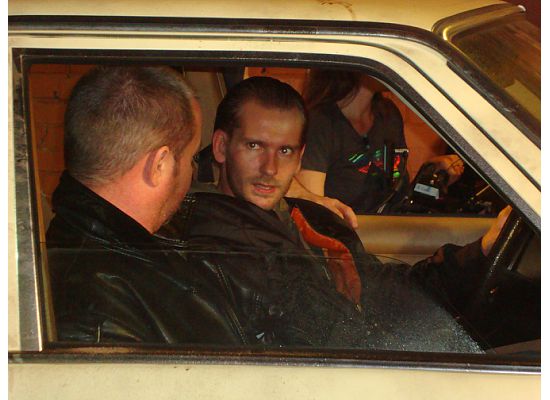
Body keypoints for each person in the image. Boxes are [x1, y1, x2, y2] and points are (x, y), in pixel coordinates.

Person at [165, 76, 509, 351]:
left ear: (300, 159)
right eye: (254, 146)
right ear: (222, 147)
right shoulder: (201, 242)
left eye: (285, 151)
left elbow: (389, 291)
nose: (270, 168)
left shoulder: (316, 220)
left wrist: (480, 251)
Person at [46, 66, 250, 344]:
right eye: (191, 158)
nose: (191, 172)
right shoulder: (96, 319)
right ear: (160, 165)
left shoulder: (90, 245)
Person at [296, 69, 465, 213]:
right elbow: (314, 211)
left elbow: (395, 197)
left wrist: (429, 173)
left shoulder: (387, 115)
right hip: (344, 236)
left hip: (385, 233)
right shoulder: (320, 123)